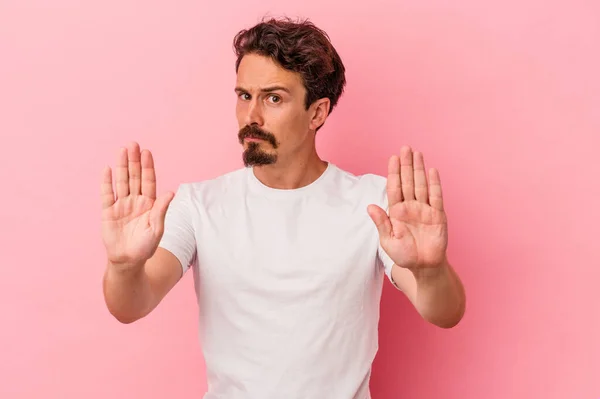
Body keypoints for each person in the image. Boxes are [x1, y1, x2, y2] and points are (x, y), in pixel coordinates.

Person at [100, 17, 466, 399]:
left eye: (273, 98)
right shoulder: (197, 205)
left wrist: (431, 270)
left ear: (317, 113)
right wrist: (124, 267)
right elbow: (131, 305)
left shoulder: (373, 204)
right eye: (244, 96)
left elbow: (444, 311)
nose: (251, 117)